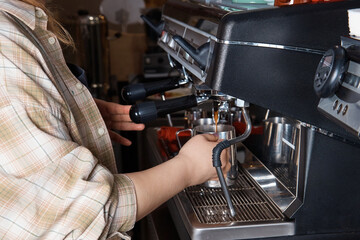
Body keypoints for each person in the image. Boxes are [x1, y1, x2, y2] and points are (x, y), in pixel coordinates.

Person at [0, 0, 229, 239]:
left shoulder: (20, 24)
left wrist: (70, 113)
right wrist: (188, 168)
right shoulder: (7, 45)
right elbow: (79, 214)